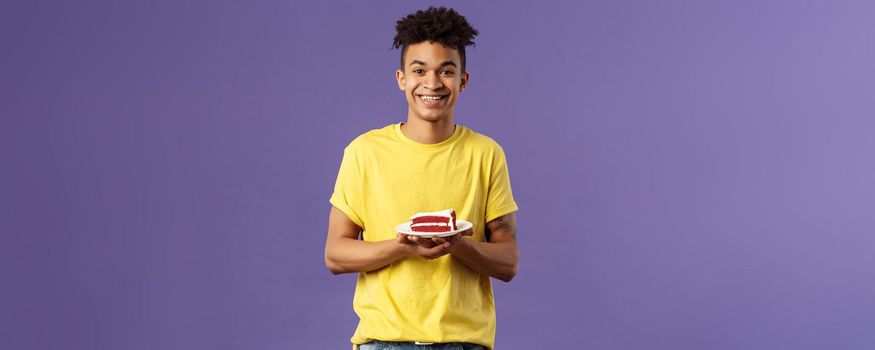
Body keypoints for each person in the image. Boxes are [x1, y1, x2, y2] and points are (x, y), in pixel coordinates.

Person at [324, 7, 519, 350]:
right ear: (401, 78)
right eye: (419, 70)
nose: (432, 83)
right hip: (383, 343)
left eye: (446, 71)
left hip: (463, 343)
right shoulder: (364, 152)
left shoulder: (486, 154)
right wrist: (403, 246)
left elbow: (508, 262)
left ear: (463, 80)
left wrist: (456, 244)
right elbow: (336, 254)